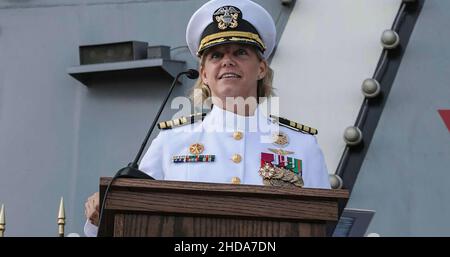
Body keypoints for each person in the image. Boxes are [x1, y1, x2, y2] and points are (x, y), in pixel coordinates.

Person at [84, 0, 330, 237]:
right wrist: (100, 215)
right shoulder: (172, 141)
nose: (227, 61)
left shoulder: (301, 145)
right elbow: (131, 213)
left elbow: (326, 223)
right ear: (203, 74)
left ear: (262, 68)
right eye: (215, 56)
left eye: (241, 52)